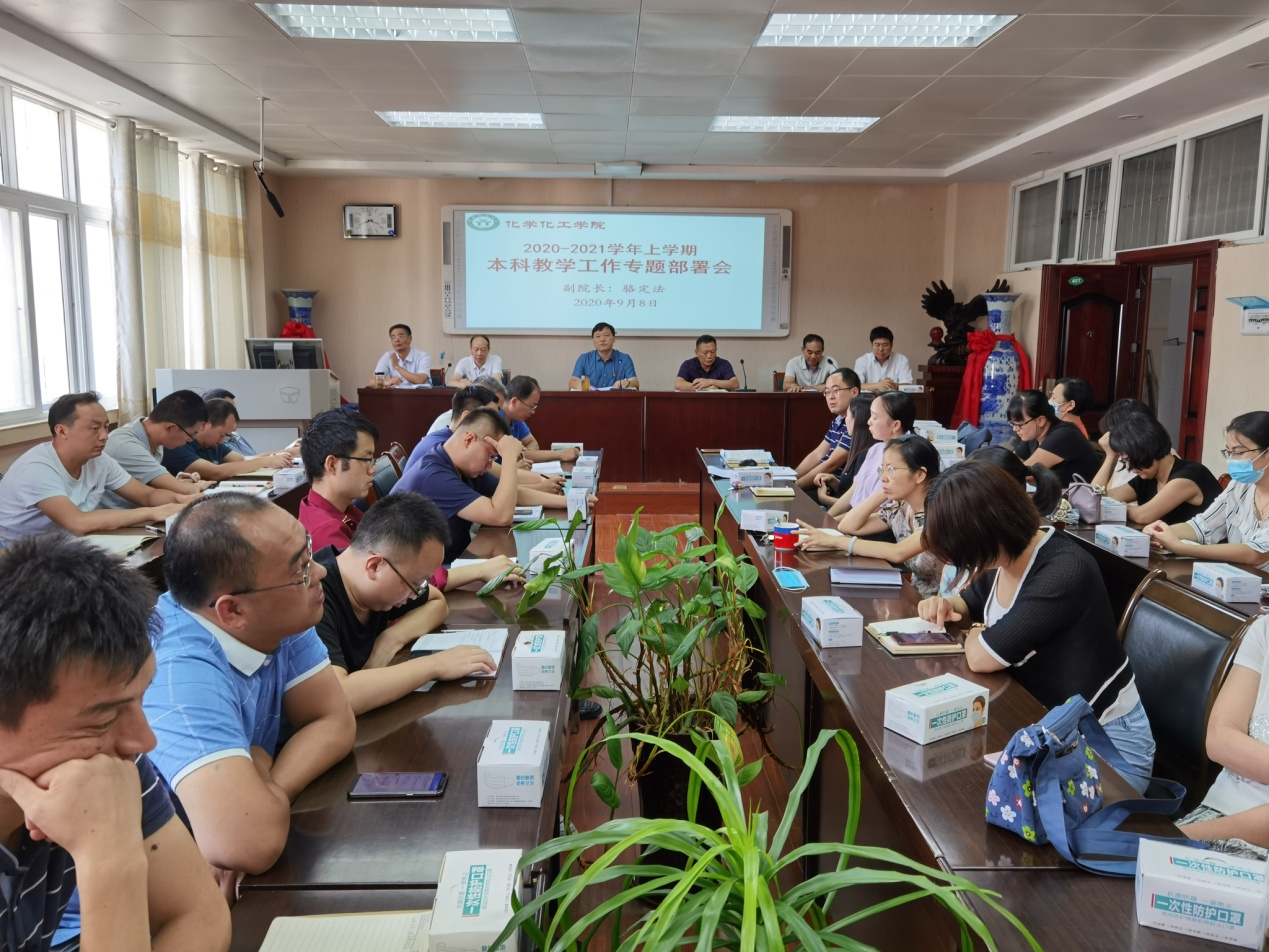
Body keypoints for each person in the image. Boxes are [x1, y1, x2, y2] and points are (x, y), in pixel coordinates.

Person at [0, 535, 230, 952]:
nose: (143, 741)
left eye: (140, 699)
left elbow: (199, 914)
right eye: (104, 718)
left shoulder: (107, 760)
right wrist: (108, 861)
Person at [142, 494, 356, 884]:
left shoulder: (276, 607)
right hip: (151, 883)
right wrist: (252, 808)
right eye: (301, 569)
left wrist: (266, 782)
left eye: (309, 555)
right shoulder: (178, 672)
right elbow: (249, 843)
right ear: (233, 611)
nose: (320, 573)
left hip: (223, 836)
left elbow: (334, 720)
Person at [917, 460, 1156, 792]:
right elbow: (966, 605)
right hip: (1047, 726)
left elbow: (981, 658)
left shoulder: (1065, 570)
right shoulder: (1003, 556)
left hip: (1108, 748)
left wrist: (978, 632)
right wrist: (944, 605)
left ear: (989, 527)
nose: (966, 563)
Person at [300, 408, 522, 592]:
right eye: (366, 459)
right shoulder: (326, 533)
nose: (373, 469)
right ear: (332, 465)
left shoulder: (346, 512)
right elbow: (391, 586)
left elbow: (400, 568)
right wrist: (480, 570)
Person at [315, 494, 499, 715]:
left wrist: (389, 641)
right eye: (414, 583)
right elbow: (340, 697)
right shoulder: (314, 597)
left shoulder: (376, 585)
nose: (414, 595)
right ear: (374, 567)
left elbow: (437, 601)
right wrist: (435, 665)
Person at [0, 392, 190, 542]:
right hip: (21, 555)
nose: (104, 436)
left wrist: (184, 500)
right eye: (94, 428)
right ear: (62, 431)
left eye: (106, 427)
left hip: (71, 544)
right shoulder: (37, 468)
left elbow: (146, 495)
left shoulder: (99, 461)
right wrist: (152, 512)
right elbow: (77, 522)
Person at [798, 434, 943, 596]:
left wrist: (834, 541)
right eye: (882, 470)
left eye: (891, 470)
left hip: (941, 603)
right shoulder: (901, 508)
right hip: (915, 596)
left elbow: (897, 552)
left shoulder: (939, 514)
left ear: (919, 474)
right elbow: (848, 526)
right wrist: (883, 492)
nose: (883, 478)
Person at [1176, 614, 1269, 858]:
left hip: (1234, 833)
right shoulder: (1265, 630)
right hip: (1214, 813)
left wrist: (1173, 837)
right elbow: (1219, 740)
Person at [1143, 411, 1269, 571]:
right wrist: (1160, 531)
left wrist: (1181, 548)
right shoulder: (1239, 486)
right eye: (1229, 452)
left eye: (1238, 452)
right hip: (1236, 579)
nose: (1232, 460)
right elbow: (1202, 526)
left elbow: (1256, 554)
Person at [393, 408, 521, 564]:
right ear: (469, 439)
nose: (489, 465)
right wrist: (509, 457)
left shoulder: (462, 467)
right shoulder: (434, 476)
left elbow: (515, 493)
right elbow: (501, 516)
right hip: (424, 573)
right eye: (491, 456)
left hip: (451, 558)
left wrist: (553, 497)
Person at [1094, 412, 1221, 525]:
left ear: (1148, 448)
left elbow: (1143, 515)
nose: (1129, 467)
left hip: (1199, 544)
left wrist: (1117, 508)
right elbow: (1095, 499)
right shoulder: (1148, 478)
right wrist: (1110, 457)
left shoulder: (1190, 474)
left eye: (1129, 459)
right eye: (1124, 461)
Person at [101, 390, 215, 507]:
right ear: (171, 428)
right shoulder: (126, 445)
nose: (190, 441)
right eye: (191, 435)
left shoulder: (155, 441)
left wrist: (175, 483)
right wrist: (192, 487)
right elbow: (185, 491)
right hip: (117, 515)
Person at [827, 390, 915, 523]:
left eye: (874, 417)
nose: (868, 422)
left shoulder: (903, 459)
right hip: (851, 519)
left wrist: (830, 524)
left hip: (870, 524)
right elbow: (854, 491)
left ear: (895, 425)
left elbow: (874, 509)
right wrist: (826, 518)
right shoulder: (875, 449)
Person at [161, 398, 294, 480]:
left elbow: (242, 459)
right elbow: (216, 472)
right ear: (206, 424)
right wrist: (266, 461)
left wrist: (275, 457)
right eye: (222, 434)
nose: (222, 440)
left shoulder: (214, 444)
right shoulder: (178, 444)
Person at [1006, 389, 1100, 487]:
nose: (1015, 429)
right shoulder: (1034, 434)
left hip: (1080, 495)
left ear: (1040, 420)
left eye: (1020, 424)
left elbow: (1022, 473)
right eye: (1012, 423)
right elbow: (1010, 463)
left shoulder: (1063, 435)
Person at [794, 368, 861, 490]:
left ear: (854, 392)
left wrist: (795, 488)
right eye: (827, 392)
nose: (830, 397)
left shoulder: (857, 423)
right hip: (823, 484)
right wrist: (792, 477)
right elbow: (817, 454)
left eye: (836, 390)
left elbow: (831, 464)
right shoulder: (838, 420)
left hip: (837, 489)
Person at [813, 394, 877, 506]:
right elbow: (850, 490)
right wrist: (833, 480)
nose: (845, 419)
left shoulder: (867, 453)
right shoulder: (858, 448)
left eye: (848, 414)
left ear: (857, 419)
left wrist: (823, 497)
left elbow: (854, 505)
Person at [505, 375, 583, 463]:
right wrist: (560, 454)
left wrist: (524, 454)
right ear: (514, 402)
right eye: (531, 406)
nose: (533, 412)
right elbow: (512, 455)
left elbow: (532, 443)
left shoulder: (516, 419)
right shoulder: (496, 421)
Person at [1096, 397, 1157, 489]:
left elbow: (1096, 494)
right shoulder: (1125, 456)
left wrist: (1110, 457)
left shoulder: (1149, 460)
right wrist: (1110, 456)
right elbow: (1096, 493)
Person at [569, 322, 638, 390]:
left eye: (606, 335)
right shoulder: (584, 358)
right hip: (591, 397)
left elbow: (635, 382)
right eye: (598, 336)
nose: (602, 339)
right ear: (593, 340)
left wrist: (627, 382)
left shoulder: (624, 359)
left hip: (616, 397)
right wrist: (579, 384)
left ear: (614, 339)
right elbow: (572, 382)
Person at [854, 326, 912, 393]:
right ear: (872, 345)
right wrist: (877, 385)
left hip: (893, 398)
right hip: (869, 398)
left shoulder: (901, 360)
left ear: (891, 345)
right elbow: (856, 385)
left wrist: (894, 385)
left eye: (885, 345)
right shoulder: (862, 361)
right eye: (877, 345)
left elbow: (907, 385)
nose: (881, 349)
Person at [372, 324, 431, 388]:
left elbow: (420, 380)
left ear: (410, 338)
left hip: (419, 393)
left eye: (400, 336)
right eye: (393, 337)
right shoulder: (388, 356)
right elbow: (372, 381)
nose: (396, 340)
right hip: (396, 393)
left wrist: (397, 367)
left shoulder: (423, 356)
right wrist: (386, 382)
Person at [674, 335, 738, 391]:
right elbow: (678, 384)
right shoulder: (688, 364)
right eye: (705, 353)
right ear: (696, 352)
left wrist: (710, 382)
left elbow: (735, 384)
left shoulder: (724, 364)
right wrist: (706, 389)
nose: (709, 356)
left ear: (716, 350)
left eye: (712, 352)